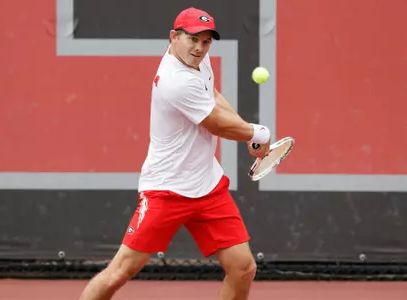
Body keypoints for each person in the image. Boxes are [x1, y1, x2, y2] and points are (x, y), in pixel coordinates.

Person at [78, 7, 271, 300]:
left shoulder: (198, 62)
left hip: (207, 187)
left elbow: (213, 96)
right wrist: (257, 134)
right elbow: (216, 123)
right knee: (121, 271)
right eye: (193, 39)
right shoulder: (175, 79)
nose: (199, 48)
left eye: (206, 41)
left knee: (243, 268)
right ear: (174, 37)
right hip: (166, 190)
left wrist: (246, 129)